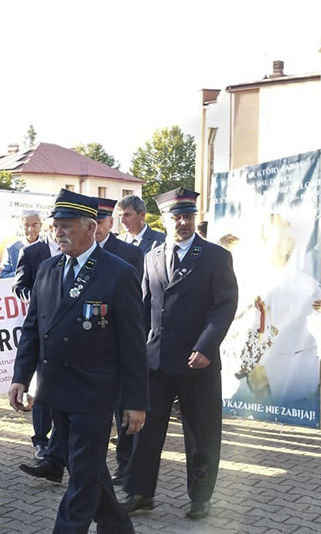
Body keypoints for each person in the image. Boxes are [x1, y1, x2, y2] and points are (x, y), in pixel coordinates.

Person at [9, 190, 148, 534]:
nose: (59, 233)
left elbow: (133, 345)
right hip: (56, 388)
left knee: (82, 477)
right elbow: (33, 329)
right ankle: (117, 527)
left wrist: (135, 402)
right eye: (56, 226)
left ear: (90, 228)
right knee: (84, 465)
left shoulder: (118, 273)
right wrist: (20, 377)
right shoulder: (46, 269)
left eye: (67, 226)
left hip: (95, 392)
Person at [123, 188, 238, 520]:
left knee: (201, 434)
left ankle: (200, 497)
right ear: (165, 220)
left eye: (188, 216)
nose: (184, 222)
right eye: (177, 217)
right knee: (146, 431)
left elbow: (224, 307)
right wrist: (137, 352)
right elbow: (144, 308)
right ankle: (141, 493)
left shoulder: (215, 257)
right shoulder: (152, 257)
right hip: (156, 362)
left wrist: (205, 347)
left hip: (197, 362)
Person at [95, 197, 144, 486]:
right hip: (93, 345)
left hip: (119, 340)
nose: (96, 228)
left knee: (124, 408)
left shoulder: (128, 254)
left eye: (101, 222)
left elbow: (135, 301)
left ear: (109, 223)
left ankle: (125, 465)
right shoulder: (80, 252)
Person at [0, 211, 44, 279]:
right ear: (21, 226)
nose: (30, 230)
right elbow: (3, 276)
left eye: (34, 225)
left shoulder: (48, 246)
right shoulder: (11, 249)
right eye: (26, 225)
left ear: (40, 226)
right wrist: (22, 273)